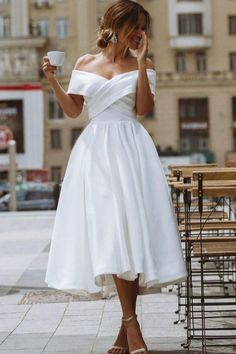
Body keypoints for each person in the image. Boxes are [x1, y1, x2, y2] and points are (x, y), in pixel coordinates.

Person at [43, 1, 187, 353]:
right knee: (112, 232)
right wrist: (53, 81)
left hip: (131, 148)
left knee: (129, 234)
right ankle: (131, 326)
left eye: (144, 28)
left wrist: (139, 63)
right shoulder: (84, 63)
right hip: (95, 152)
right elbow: (75, 110)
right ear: (114, 24)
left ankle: (126, 332)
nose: (140, 33)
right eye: (135, 26)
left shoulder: (145, 64)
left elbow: (143, 109)